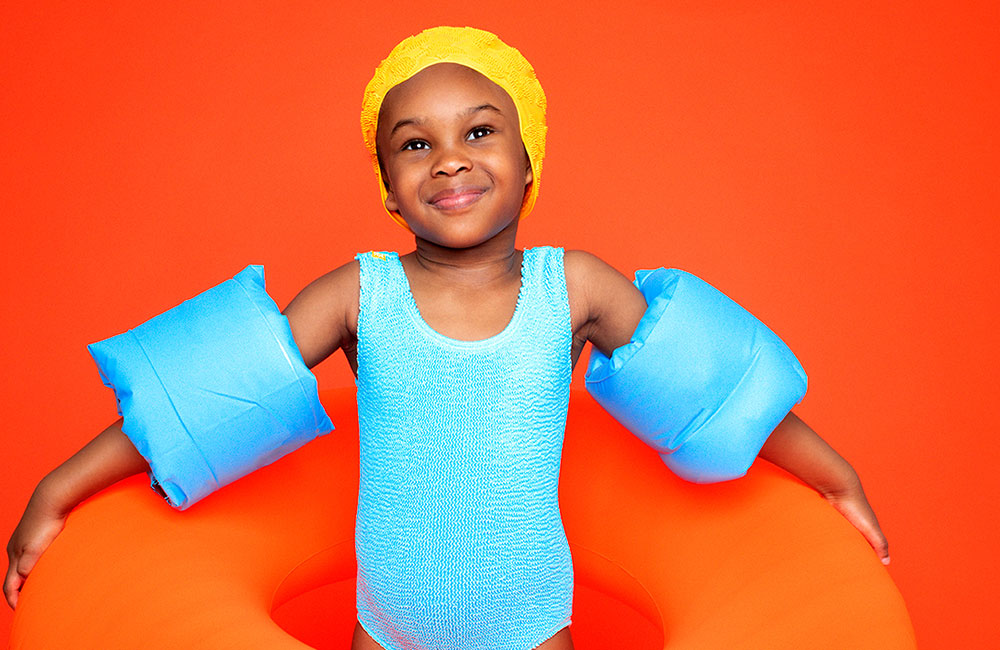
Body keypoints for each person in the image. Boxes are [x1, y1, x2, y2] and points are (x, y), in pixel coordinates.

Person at [5, 26, 889, 650]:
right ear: (388, 187)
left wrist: (837, 478)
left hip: (532, 627)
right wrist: (56, 489)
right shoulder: (361, 294)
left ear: (528, 158)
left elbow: (718, 395)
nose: (450, 159)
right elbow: (206, 403)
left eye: (478, 131)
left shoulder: (571, 286)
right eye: (414, 145)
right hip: (387, 630)